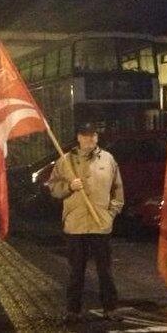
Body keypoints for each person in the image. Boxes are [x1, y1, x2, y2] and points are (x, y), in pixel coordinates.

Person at [48, 122, 125, 322]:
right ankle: (73, 311)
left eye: (92, 135)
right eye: (85, 135)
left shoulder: (108, 159)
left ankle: (111, 308)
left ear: (97, 138)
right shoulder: (65, 161)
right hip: (75, 226)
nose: (89, 139)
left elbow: (118, 190)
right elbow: (53, 188)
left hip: (101, 225)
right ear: (78, 138)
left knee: (105, 272)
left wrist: (112, 213)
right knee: (76, 272)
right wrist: (69, 186)